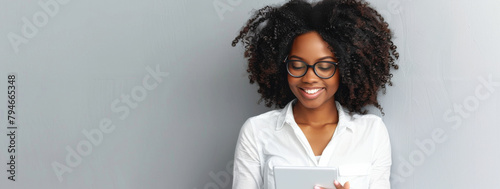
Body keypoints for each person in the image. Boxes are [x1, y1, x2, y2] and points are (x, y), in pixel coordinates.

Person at [231, 0, 399, 188]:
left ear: (344, 68)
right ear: (282, 67)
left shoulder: (372, 132)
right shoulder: (257, 132)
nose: (309, 78)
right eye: (297, 65)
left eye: (325, 66)